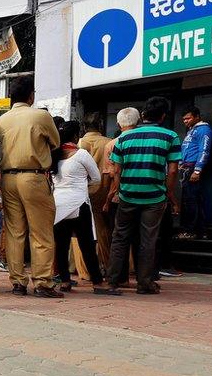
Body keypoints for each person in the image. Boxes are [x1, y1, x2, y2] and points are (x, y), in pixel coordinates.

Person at [97, 97, 181, 296]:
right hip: (154, 197)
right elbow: (173, 171)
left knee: (120, 238)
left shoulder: (124, 138)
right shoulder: (170, 136)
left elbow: (116, 170)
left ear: (143, 115)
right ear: (163, 116)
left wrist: (118, 191)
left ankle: (113, 281)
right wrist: (170, 194)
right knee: (148, 240)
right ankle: (144, 283)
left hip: (127, 195)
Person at [0, 77, 62, 297]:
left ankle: (18, 282)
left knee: (15, 232)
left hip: (8, 178)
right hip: (33, 177)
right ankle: (42, 282)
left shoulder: (2, 120)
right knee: (41, 232)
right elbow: (56, 142)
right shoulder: (40, 116)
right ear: (31, 96)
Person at [51, 120, 103, 291]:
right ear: (76, 136)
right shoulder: (81, 154)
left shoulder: (54, 155)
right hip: (79, 203)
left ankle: (65, 281)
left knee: (61, 244)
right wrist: (84, 187)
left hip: (58, 204)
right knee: (86, 244)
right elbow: (96, 178)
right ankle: (97, 282)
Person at [103, 107, 141, 286]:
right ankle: (144, 278)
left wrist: (108, 197)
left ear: (118, 124)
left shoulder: (112, 144)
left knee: (119, 237)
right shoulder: (148, 140)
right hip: (148, 196)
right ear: (139, 121)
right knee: (142, 237)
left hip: (121, 196)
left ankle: (119, 278)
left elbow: (112, 173)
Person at [78, 111, 114, 270]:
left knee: (86, 231)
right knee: (106, 229)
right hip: (105, 190)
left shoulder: (79, 143)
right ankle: (109, 264)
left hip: (84, 191)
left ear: (84, 126)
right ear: (101, 125)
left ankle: (86, 267)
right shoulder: (110, 142)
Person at [178, 106, 212, 240]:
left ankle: (190, 231)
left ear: (197, 116)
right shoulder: (192, 130)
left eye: (188, 118)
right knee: (193, 200)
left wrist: (197, 170)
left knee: (191, 201)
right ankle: (201, 231)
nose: (185, 121)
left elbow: (204, 150)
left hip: (193, 169)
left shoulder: (204, 130)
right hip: (187, 169)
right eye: (184, 119)